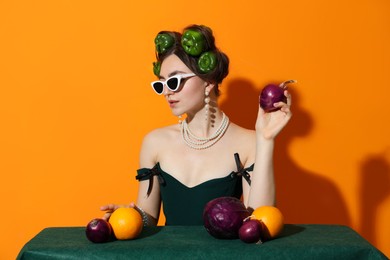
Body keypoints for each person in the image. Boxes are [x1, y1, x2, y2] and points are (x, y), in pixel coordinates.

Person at [101, 24, 292, 226]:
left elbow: (261, 223)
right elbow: (149, 219)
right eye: (161, 83)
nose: (167, 92)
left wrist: (265, 139)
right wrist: (127, 219)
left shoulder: (248, 142)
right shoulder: (155, 142)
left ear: (208, 81)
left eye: (174, 81)